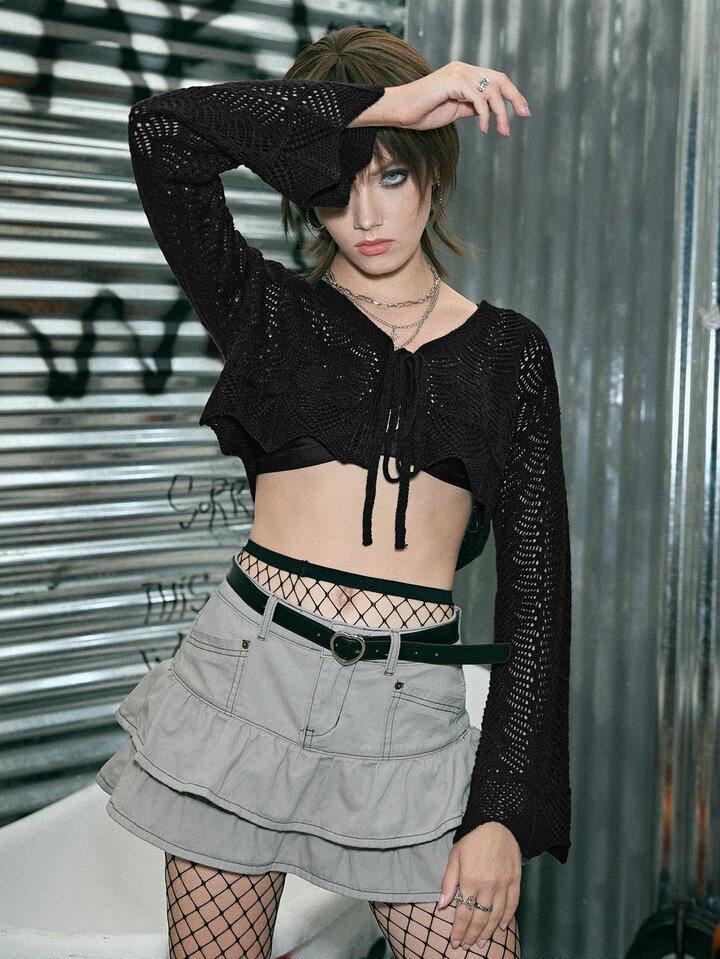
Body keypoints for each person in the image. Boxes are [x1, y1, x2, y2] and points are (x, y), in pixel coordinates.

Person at [95, 25, 571, 959]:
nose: (365, 215)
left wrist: (503, 809)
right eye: (335, 186)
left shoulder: (508, 355)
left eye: (390, 174)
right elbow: (161, 133)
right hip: (246, 688)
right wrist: (381, 109)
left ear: (434, 170)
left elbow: (537, 595)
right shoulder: (270, 313)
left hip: (409, 712)